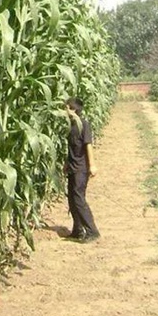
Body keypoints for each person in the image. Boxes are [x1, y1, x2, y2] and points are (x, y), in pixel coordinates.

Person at [64, 97, 100, 242]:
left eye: (66, 107)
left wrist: (92, 165)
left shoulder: (83, 125)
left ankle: (92, 231)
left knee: (79, 200)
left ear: (73, 110)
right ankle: (77, 230)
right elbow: (71, 147)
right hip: (73, 168)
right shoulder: (70, 126)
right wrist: (67, 163)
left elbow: (88, 145)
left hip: (81, 168)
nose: (64, 110)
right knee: (72, 199)